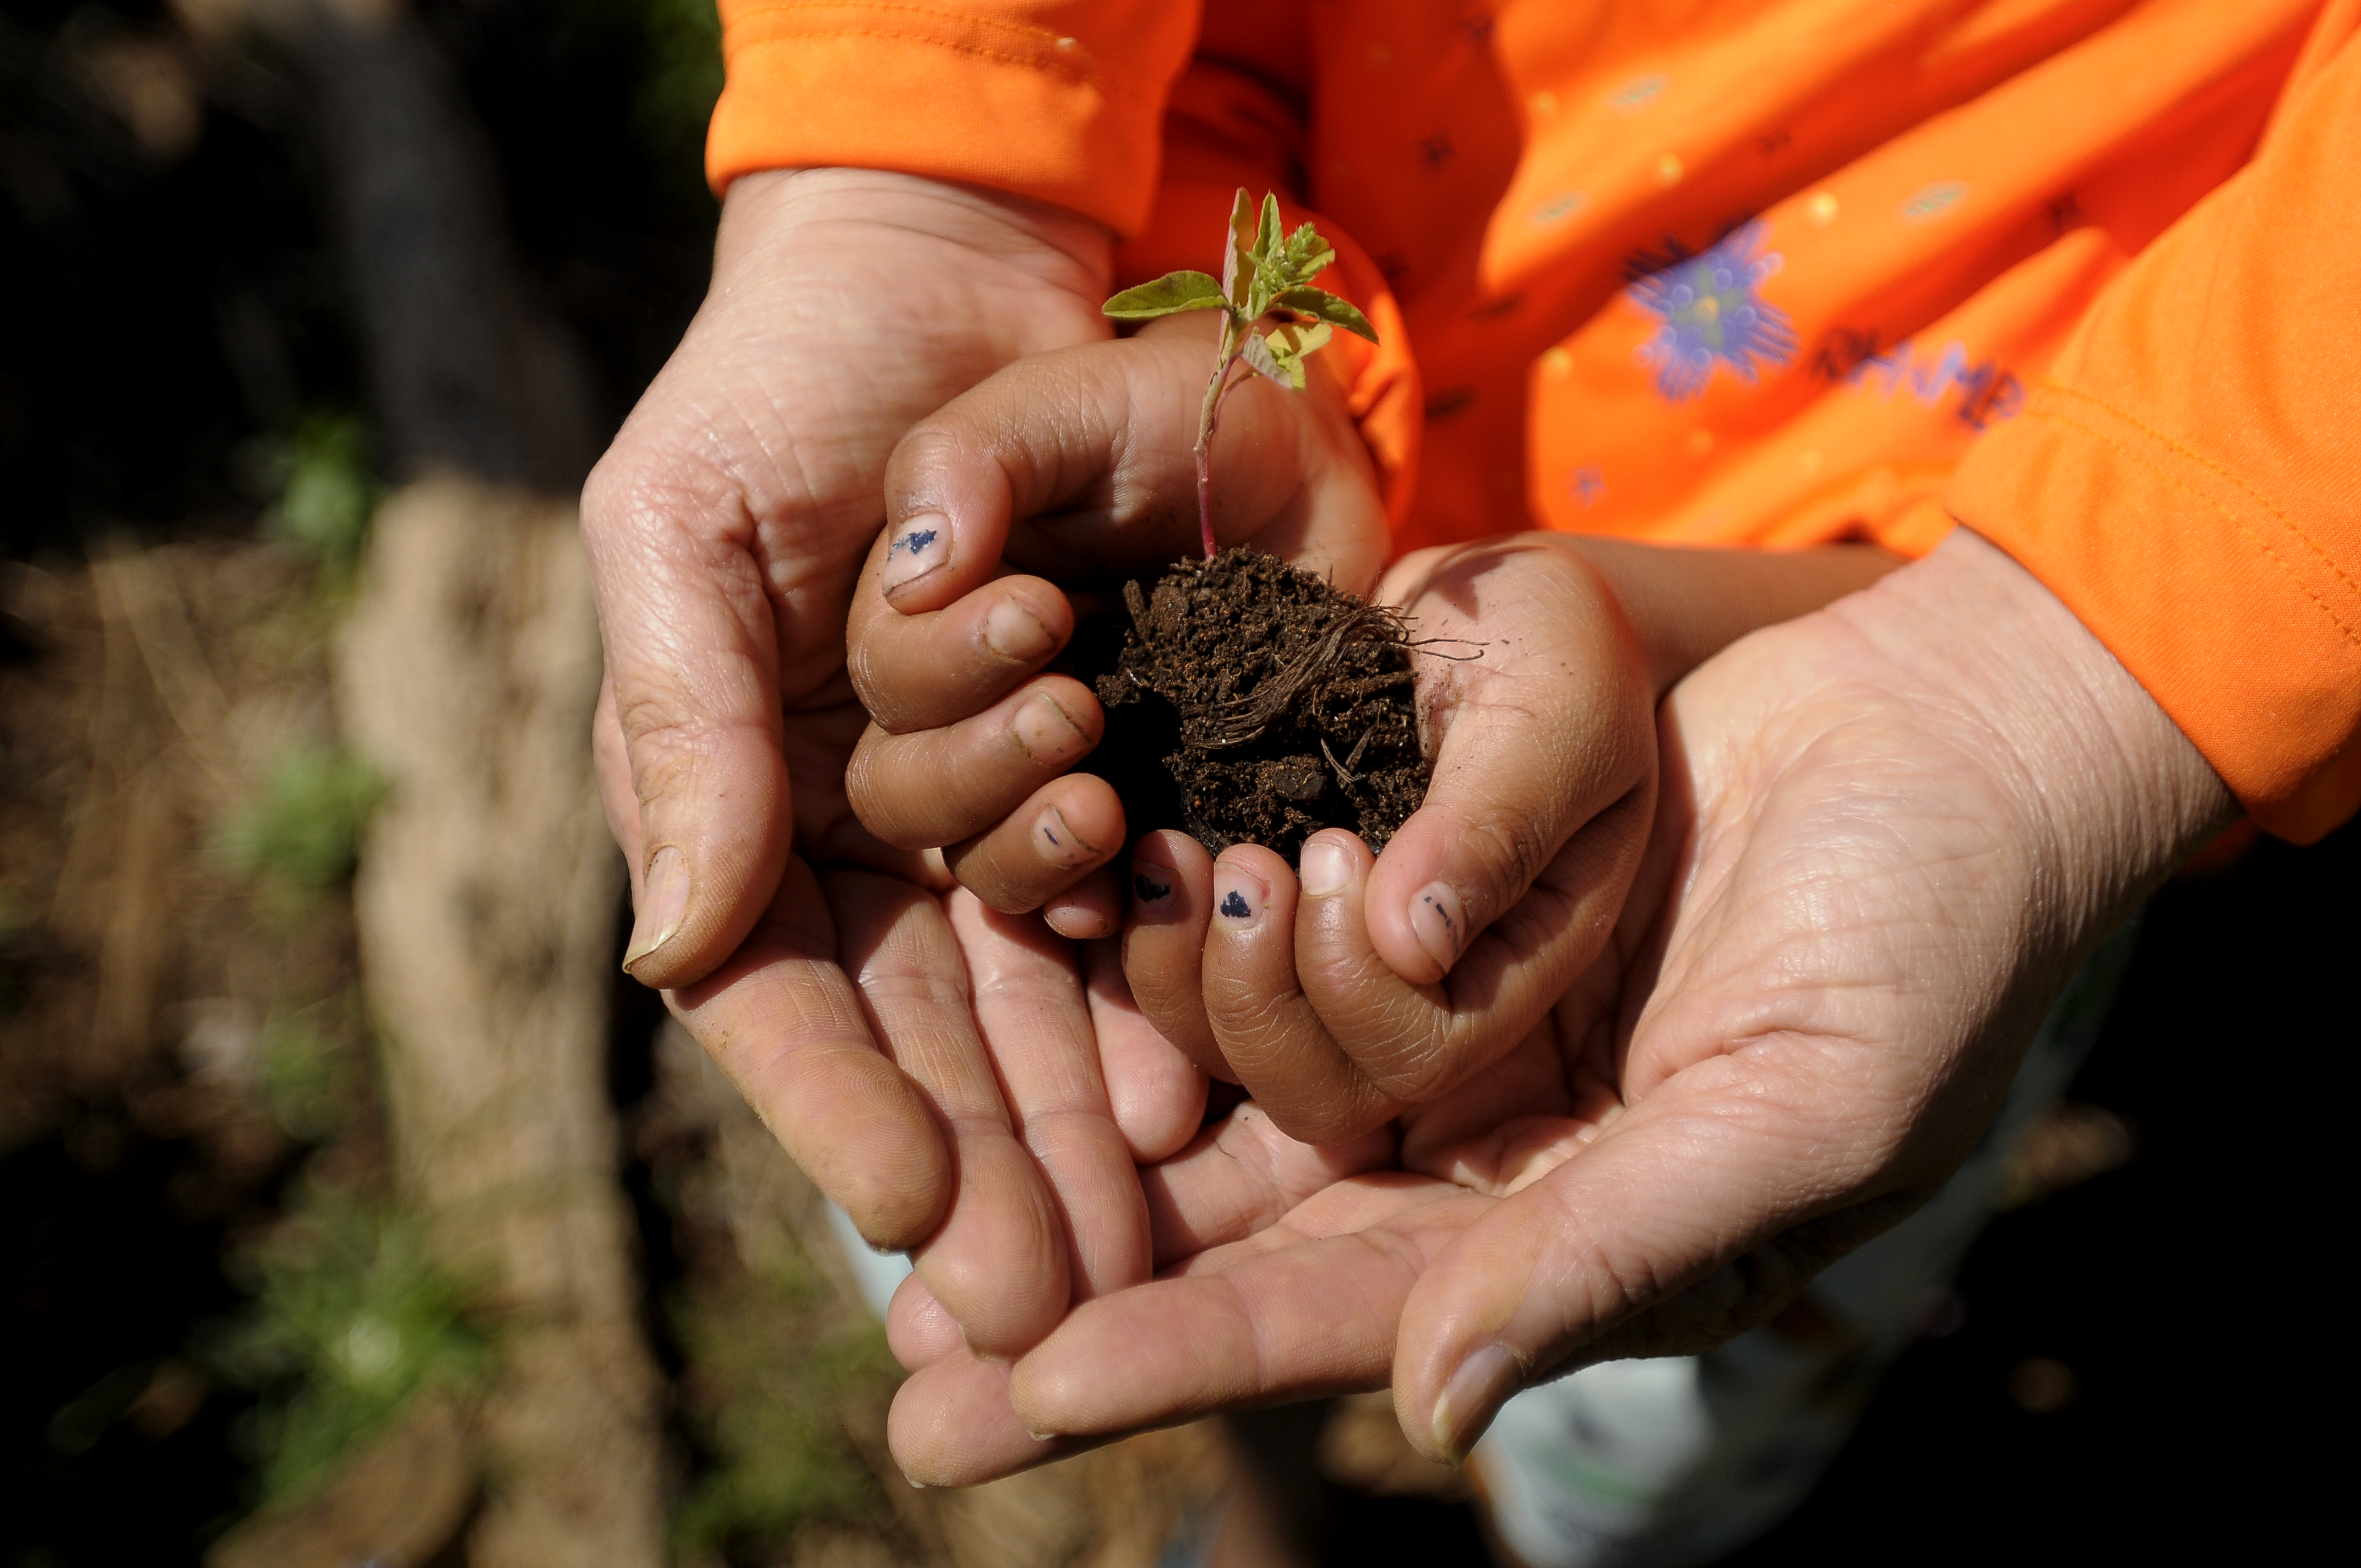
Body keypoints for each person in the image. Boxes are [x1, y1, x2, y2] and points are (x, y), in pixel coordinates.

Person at [581, 0, 2360, 1557]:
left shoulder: (2021, 714)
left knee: (1622, 1367)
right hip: (1265, 336)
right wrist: (928, 163)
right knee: (1137, 1230)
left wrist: (2070, 666)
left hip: (1928, 676)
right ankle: (1274, 1515)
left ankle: (1560, 1537)